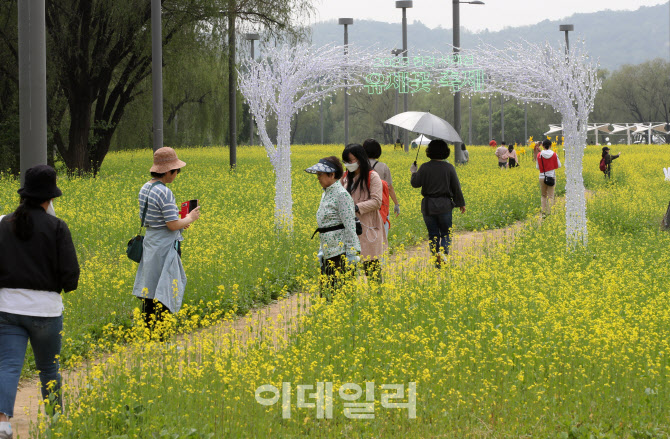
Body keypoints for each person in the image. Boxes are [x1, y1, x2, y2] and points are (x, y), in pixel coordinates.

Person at [0, 165, 80, 439]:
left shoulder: (3, 223)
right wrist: (63, 286)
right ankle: (55, 423)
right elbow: (70, 273)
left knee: (8, 366)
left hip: (7, 308)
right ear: (50, 197)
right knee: (48, 368)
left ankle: (2, 425)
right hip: (45, 311)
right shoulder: (57, 226)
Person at [132, 147, 201, 336]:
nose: (177, 174)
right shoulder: (165, 192)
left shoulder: (145, 187)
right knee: (165, 291)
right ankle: (162, 338)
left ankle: (149, 335)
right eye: (176, 170)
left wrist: (180, 222)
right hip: (165, 247)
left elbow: (159, 219)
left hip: (151, 242)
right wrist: (190, 218)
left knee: (150, 290)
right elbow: (172, 225)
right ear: (168, 172)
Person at [305, 157, 360, 299]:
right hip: (328, 250)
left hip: (340, 252)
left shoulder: (341, 195)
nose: (318, 178)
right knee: (328, 292)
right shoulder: (326, 193)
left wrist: (351, 255)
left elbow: (349, 225)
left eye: (320, 175)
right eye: (317, 175)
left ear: (332, 175)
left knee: (340, 292)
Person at [410, 139, 466, 269]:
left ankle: (437, 261)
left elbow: (415, 184)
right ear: (445, 152)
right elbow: (456, 187)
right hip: (445, 205)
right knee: (446, 233)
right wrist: (460, 203)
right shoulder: (449, 167)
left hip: (428, 206)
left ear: (429, 151)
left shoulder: (424, 167)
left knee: (433, 234)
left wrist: (414, 172)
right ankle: (443, 252)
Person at [341, 144, 386, 282]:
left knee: (371, 267)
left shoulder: (372, 176)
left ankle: (378, 298)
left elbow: (377, 201)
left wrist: (356, 207)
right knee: (348, 268)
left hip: (368, 226)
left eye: (351, 161)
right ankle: (350, 299)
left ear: (360, 159)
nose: (348, 164)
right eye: (346, 161)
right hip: (350, 227)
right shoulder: (346, 177)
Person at [363, 138, 400, 236]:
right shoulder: (383, 167)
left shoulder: (359, 166)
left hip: (362, 205)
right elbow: (390, 188)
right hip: (381, 205)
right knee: (382, 236)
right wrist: (396, 204)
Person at [536, 139, 562, 217]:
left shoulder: (539, 155)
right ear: (550, 146)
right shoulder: (554, 154)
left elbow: (537, 167)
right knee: (551, 196)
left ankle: (543, 213)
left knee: (543, 195)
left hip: (542, 177)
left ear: (543, 146)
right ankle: (549, 212)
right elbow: (559, 165)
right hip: (551, 177)